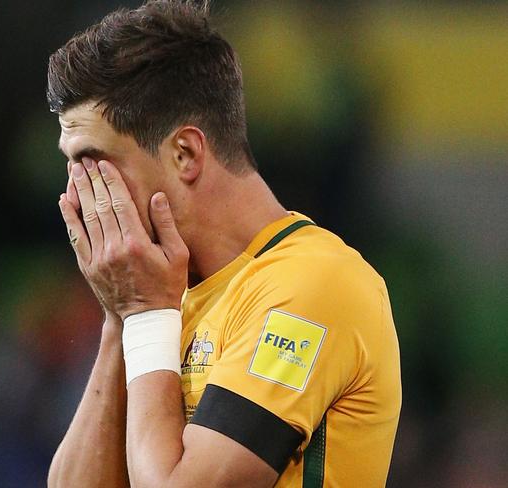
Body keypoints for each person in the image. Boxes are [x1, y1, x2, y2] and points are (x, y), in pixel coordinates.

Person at [47, 1, 401, 487]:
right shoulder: (168, 297)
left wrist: (145, 314)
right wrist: (122, 317)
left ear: (185, 153)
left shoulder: (312, 284)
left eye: (93, 162)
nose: (78, 193)